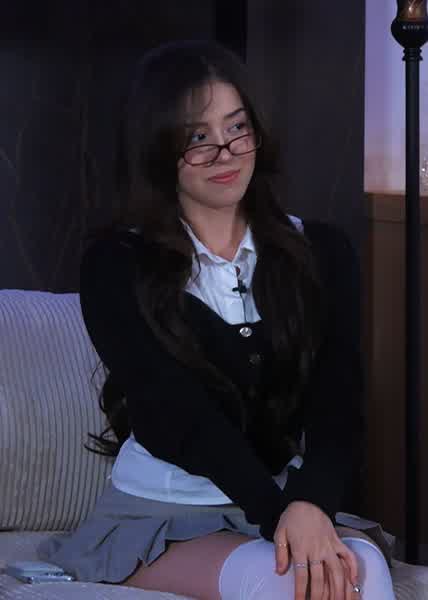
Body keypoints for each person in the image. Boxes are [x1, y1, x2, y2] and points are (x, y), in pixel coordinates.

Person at [38, 40, 396, 600]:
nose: (225, 154)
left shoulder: (322, 251)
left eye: (237, 128)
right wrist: (278, 514)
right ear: (158, 148)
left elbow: (338, 399)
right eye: (197, 138)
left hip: (289, 501)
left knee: (361, 572)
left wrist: (311, 504)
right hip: (163, 511)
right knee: (288, 583)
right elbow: (174, 413)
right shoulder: (116, 264)